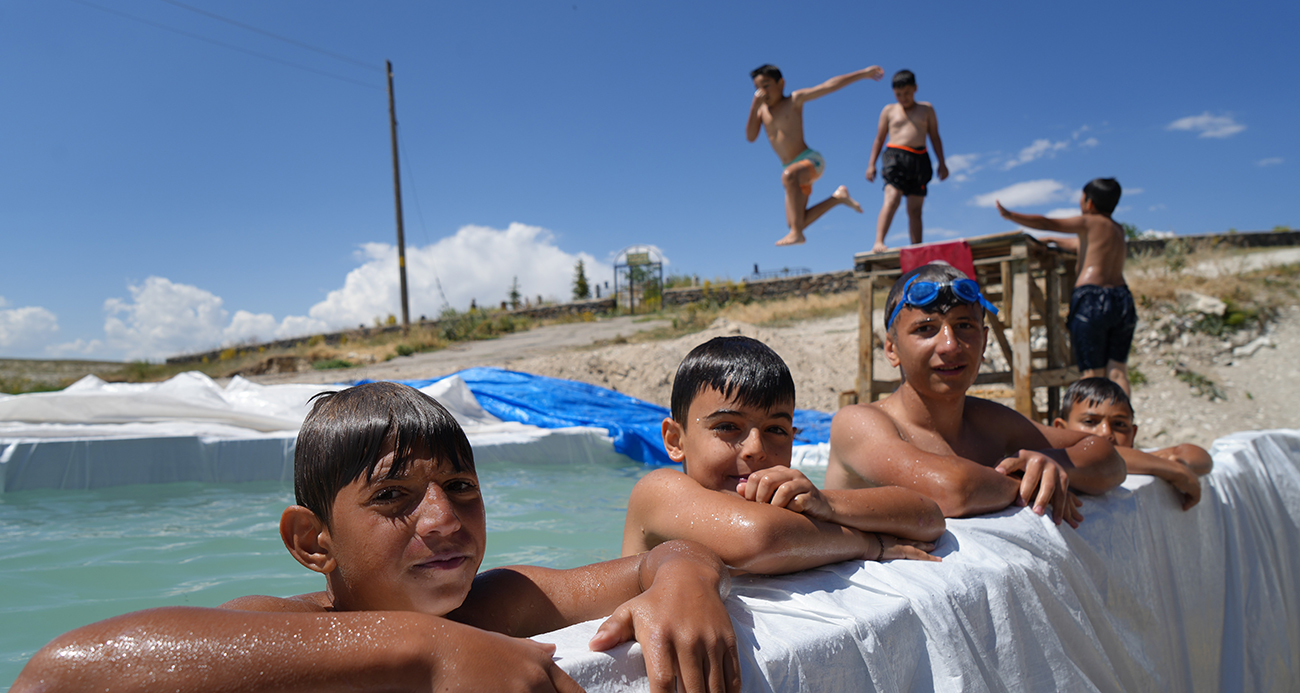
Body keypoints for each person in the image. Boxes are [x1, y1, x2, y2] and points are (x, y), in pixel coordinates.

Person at [14, 382, 740, 693]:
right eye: (393, 498)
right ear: (313, 542)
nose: (444, 519)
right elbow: (59, 675)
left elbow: (662, 556)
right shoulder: (282, 626)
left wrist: (684, 579)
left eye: (461, 488)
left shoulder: (498, 602)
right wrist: (428, 651)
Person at [826, 262, 1127, 525]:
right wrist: (1026, 479)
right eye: (925, 329)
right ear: (892, 349)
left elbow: (1107, 458)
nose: (950, 345)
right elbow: (953, 489)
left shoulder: (988, 421)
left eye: (964, 325)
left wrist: (1050, 462)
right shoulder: (859, 423)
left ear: (983, 343)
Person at [623, 336, 946, 575]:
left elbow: (929, 517)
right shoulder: (657, 492)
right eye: (727, 426)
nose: (756, 449)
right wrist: (867, 543)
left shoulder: (786, 504)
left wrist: (828, 504)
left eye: (775, 430)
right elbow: (761, 539)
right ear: (674, 439)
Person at [996, 178, 1138, 396]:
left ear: (1089, 203)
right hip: (1122, 300)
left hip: (1092, 299)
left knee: (1092, 373)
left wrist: (1011, 215)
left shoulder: (1090, 221)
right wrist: (1052, 239)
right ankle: (1123, 423)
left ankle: (1094, 426)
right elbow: (1076, 244)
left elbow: (1047, 222)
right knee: (1118, 371)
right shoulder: (1117, 229)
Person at [746, 64, 882, 247]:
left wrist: (863, 74)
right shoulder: (762, 112)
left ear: (781, 83)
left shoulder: (794, 100)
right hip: (791, 171)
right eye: (756, 89)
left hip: (810, 161)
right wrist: (754, 107)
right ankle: (838, 198)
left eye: (766, 85)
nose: (761, 92)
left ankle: (796, 233)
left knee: (789, 181)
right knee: (796, 221)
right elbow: (751, 137)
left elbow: (828, 86)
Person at [1054, 377, 1212, 510]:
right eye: (1090, 421)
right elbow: (1098, 458)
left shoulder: (1145, 460)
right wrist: (1169, 468)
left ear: (1133, 433)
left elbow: (1199, 455)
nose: (1106, 432)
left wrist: (1178, 463)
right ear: (1060, 429)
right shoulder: (1056, 458)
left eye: (1119, 424)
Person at [867, 70, 948, 253]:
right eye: (898, 94)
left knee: (915, 210)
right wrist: (871, 163)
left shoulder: (926, 109)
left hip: (919, 158)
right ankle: (878, 241)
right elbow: (879, 139)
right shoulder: (889, 110)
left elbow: (935, 137)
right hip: (895, 156)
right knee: (892, 198)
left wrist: (942, 163)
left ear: (915, 89)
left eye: (907, 93)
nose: (903, 98)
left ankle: (917, 247)